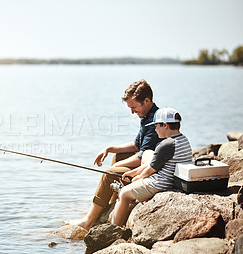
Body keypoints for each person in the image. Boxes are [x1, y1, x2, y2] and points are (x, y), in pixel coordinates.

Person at [65, 79, 163, 231]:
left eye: (134, 107)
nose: (132, 112)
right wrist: (110, 148)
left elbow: (144, 155)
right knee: (118, 157)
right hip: (147, 164)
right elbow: (137, 145)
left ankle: (88, 221)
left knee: (109, 172)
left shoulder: (154, 122)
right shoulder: (147, 116)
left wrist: (116, 168)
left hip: (151, 172)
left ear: (146, 100)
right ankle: (111, 204)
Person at [111, 107, 192, 226]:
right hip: (172, 180)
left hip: (159, 184)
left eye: (156, 126)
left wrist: (137, 178)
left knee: (123, 193)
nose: (155, 129)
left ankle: (114, 228)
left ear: (165, 125)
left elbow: (150, 170)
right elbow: (154, 163)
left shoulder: (166, 144)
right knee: (147, 153)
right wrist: (133, 173)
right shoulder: (183, 139)